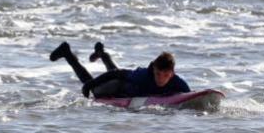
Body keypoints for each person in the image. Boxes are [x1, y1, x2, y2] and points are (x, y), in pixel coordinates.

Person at [50, 41, 190, 98]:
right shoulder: (143, 76)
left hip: (126, 86)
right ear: (153, 69)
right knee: (96, 89)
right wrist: (88, 86)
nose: (160, 78)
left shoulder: (178, 83)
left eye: (165, 75)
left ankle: (102, 54)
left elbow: (191, 96)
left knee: (118, 79)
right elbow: (116, 73)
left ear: (172, 74)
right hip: (119, 84)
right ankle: (67, 53)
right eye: (158, 74)